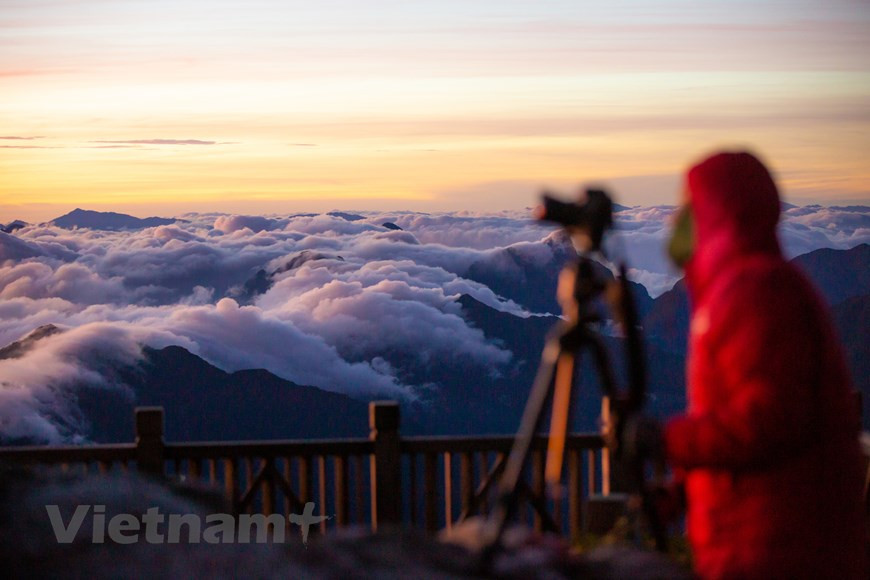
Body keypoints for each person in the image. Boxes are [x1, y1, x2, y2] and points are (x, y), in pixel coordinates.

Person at [637, 151, 866, 578]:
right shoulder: (739, 289)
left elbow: (768, 421)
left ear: (717, 214)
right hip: (757, 540)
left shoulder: (758, 291)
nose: (674, 219)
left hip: (781, 550)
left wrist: (668, 439)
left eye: (689, 206)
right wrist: (683, 492)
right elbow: (736, 418)